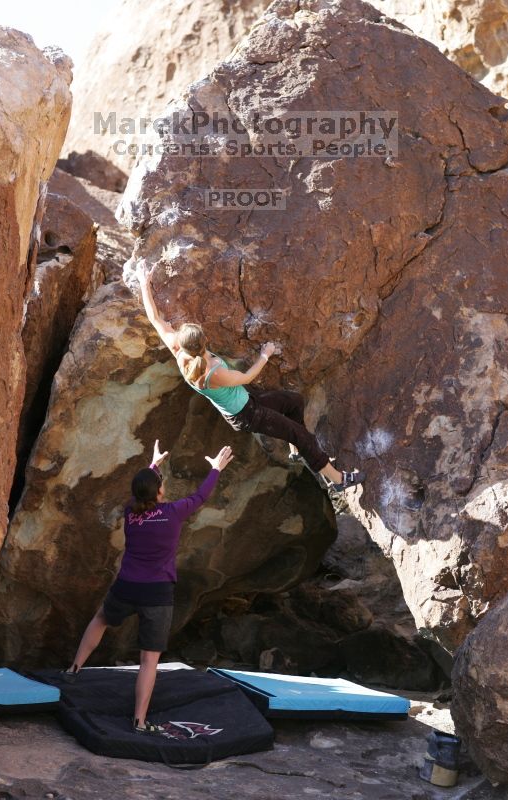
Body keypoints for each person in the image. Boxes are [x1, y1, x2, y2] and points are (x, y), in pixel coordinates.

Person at [136, 263, 364, 492]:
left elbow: (155, 318)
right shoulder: (214, 372)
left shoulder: (178, 349)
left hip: (246, 400)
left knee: (294, 402)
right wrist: (265, 355)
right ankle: (338, 480)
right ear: (203, 341)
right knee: (301, 435)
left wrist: (144, 283)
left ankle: (297, 451)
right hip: (247, 414)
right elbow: (246, 377)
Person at [61, 438, 234, 733]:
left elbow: (142, 490)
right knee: (148, 660)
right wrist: (216, 468)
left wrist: (153, 464)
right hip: (157, 593)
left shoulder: (132, 514)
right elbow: (201, 496)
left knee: (102, 618)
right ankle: (139, 721)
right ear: (160, 491)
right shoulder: (173, 513)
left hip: (127, 586)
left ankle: (73, 669)